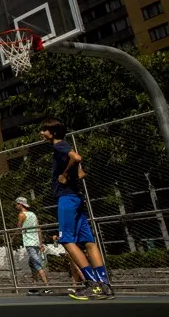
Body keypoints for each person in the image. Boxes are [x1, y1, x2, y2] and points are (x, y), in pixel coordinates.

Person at [40, 118, 114, 300]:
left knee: (66, 240)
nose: (42, 133)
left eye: (44, 130)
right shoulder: (65, 147)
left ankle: (92, 283)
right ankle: (105, 285)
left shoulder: (59, 146)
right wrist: (74, 173)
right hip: (76, 197)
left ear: (53, 133)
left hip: (66, 198)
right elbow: (81, 169)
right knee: (88, 241)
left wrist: (64, 175)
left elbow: (77, 158)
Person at [15, 197, 50, 294]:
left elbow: (18, 228)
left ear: (20, 204)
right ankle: (35, 285)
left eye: (17, 204)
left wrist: (12, 238)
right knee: (32, 263)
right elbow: (39, 228)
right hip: (35, 242)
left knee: (37, 263)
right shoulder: (33, 214)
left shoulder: (21, 215)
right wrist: (40, 242)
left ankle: (47, 286)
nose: (16, 206)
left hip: (29, 242)